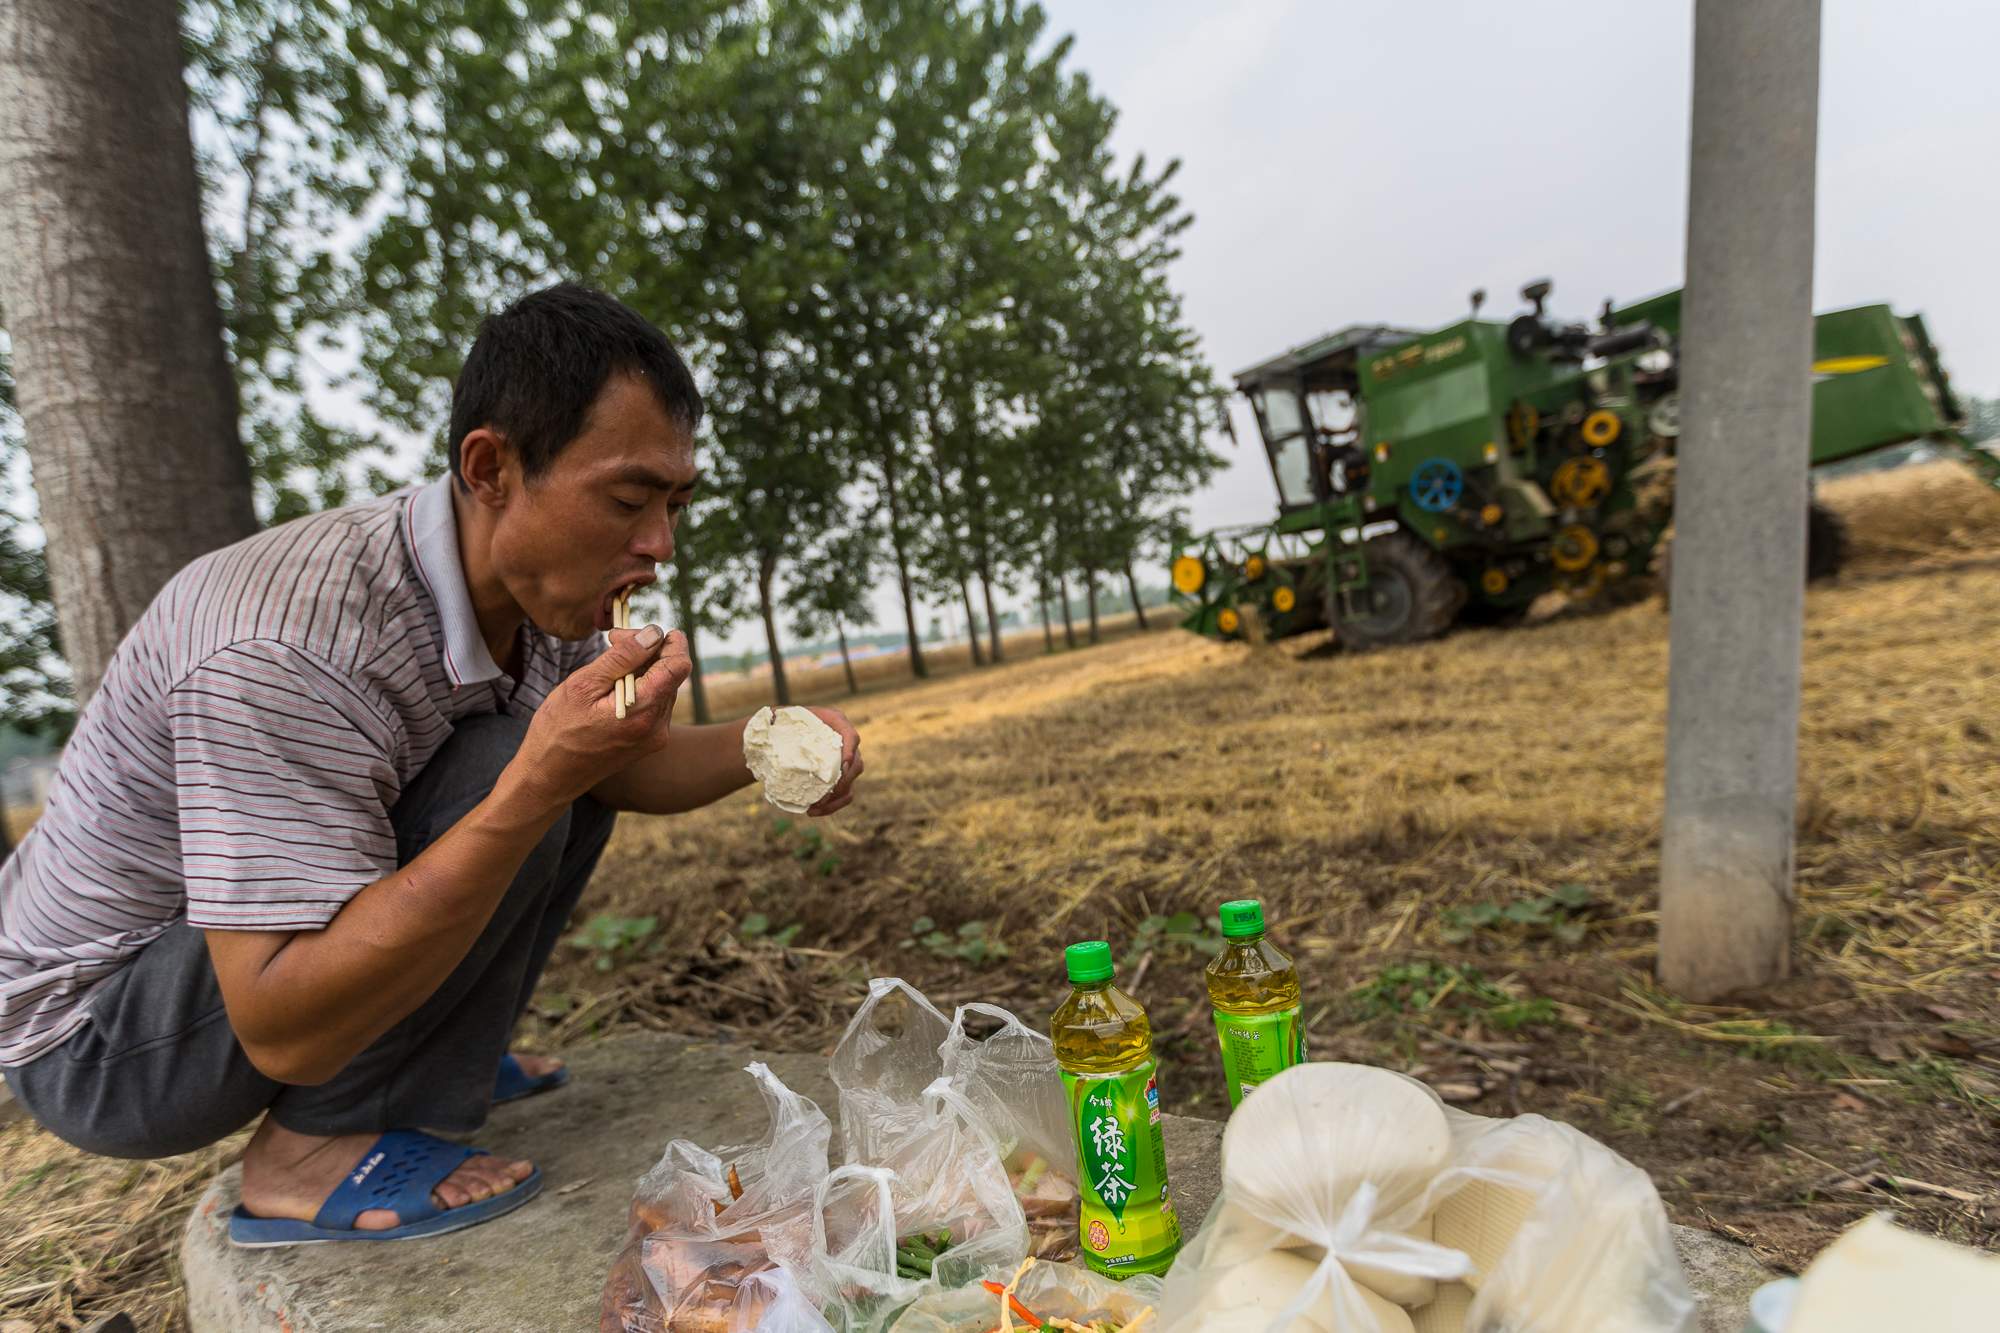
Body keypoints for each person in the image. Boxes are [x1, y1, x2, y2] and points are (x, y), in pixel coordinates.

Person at [0, 283, 863, 1245]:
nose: (658, 546)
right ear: (491, 466)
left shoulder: (538, 598)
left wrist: (766, 742)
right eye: (627, 499)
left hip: (218, 981)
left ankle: (430, 1051)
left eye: (673, 502)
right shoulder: (293, 643)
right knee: (515, 769)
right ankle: (309, 1149)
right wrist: (536, 780)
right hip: (105, 1040)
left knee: (544, 768)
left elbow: (619, 768)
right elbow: (279, 1027)